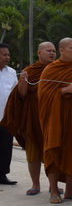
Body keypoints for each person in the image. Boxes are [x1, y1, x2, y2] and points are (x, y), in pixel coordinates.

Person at [38, 38, 72, 203]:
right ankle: (54, 191)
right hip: (55, 118)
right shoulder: (51, 69)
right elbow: (43, 95)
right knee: (53, 151)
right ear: (61, 50)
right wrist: (65, 90)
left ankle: (70, 190)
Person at [1, 42, 57, 194]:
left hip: (52, 117)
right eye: (48, 50)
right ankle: (35, 184)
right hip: (33, 117)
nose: (52, 53)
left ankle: (53, 185)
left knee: (52, 152)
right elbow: (21, 94)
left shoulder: (58, 70)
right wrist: (24, 81)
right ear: (39, 53)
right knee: (33, 153)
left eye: (54, 51)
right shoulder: (30, 71)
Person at [0, 43, 18, 185]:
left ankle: (2, 175)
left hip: (6, 117)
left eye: (8, 55)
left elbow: (14, 92)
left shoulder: (11, 72)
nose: (7, 57)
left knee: (5, 147)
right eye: (4, 54)